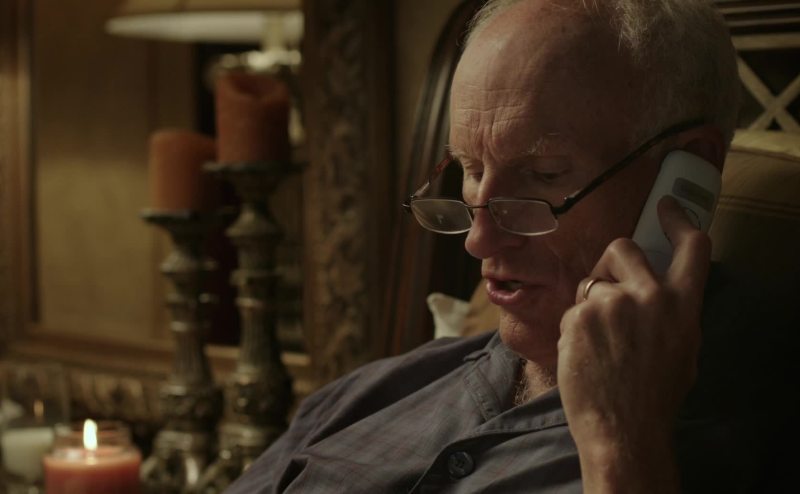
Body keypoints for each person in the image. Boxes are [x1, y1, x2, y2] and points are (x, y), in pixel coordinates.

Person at [226, 0, 799, 492]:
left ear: (689, 173)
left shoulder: (750, 427)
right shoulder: (369, 396)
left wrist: (620, 448)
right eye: (472, 170)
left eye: (543, 176)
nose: (479, 241)